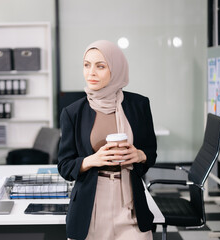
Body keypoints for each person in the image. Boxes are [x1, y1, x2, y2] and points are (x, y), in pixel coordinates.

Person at [58, 40, 157, 240]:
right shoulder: (73, 112)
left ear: (116, 69)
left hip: (131, 204)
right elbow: (65, 166)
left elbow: (151, 152)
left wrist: (139, 154)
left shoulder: (139, 105)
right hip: (90, 206)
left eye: (100, 66)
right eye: (87, 65)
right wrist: (92, 159)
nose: (91, 73)